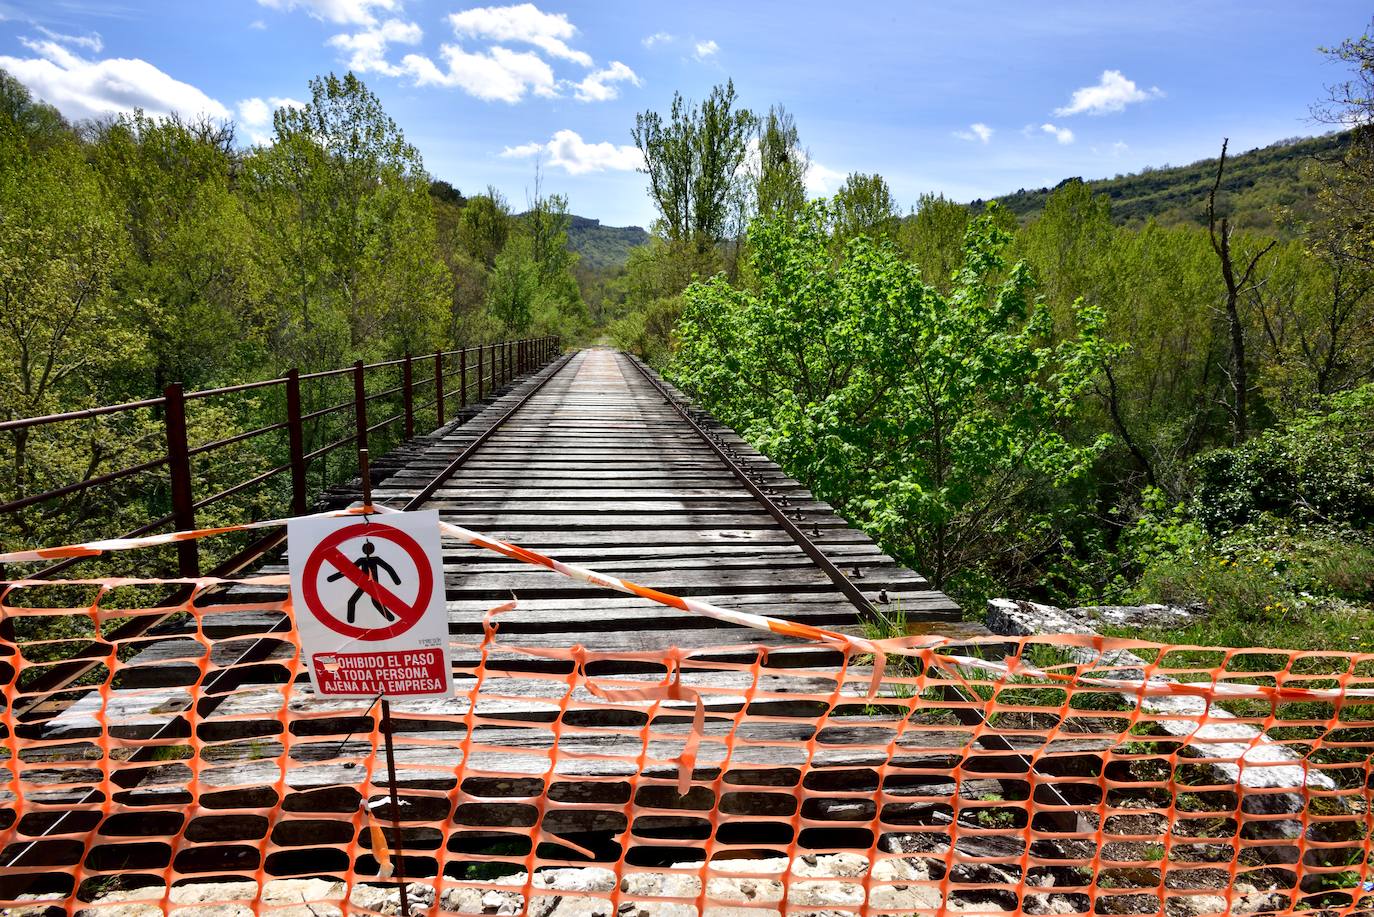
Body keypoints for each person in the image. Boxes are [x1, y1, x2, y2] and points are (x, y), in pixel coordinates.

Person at [327, 540, 401, 624]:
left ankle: (391, 618)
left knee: (366, 602)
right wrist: (333, 577)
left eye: (368, 548)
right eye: (366, 548)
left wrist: (396, 581)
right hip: (365, 584)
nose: (367, 550)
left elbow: (388, 568)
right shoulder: (363, 560)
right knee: (354, 601)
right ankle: (351, 620)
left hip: (372, 585)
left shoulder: (374, 559)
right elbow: (348, 570)